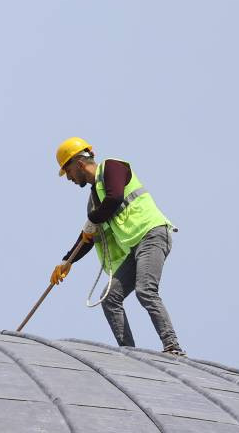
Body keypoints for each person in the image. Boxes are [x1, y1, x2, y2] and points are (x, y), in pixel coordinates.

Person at [51, 137, 185, 355]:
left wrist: (92, 220)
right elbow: (88, 237)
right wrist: (68, 261)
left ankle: (173, 347)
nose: (68, 178)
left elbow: (114, 198)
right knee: (110, 298)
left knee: (145, 290)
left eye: (67, 171)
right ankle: (131, 354)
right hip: (135, 247)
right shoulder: (95, 200)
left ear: (79, 163)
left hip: (152, 234)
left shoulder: (113, 167)